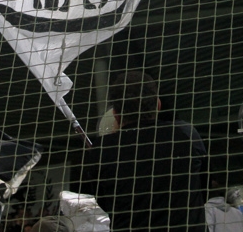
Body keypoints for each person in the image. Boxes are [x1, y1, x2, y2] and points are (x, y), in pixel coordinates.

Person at [79, 70, 209, 232]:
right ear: (158, 104)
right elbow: (205, 185)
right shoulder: (184, 134)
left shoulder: (102, 150)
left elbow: (105, 202)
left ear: (115, 115)